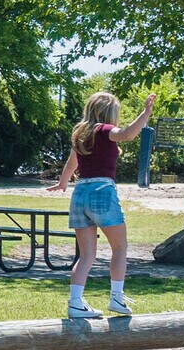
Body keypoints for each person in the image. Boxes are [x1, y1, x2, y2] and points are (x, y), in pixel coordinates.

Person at [48, 90, 155, 319]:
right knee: (119, 248)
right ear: (109, 113)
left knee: (86, 255)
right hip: (102, 191)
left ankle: (75, 303)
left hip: (80, 195)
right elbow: (127, 134)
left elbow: (71, 163)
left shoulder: (80, 133)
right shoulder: (105, 130)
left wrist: (63, 183)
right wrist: (145, 114)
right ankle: (117, 297)